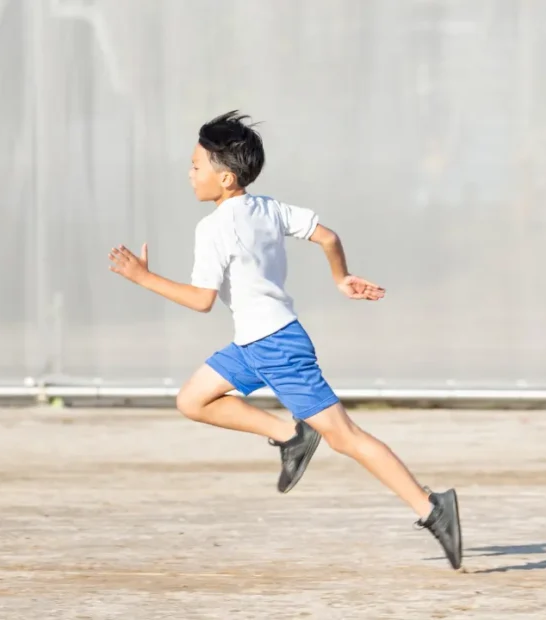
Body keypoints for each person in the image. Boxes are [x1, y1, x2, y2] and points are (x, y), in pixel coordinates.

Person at [107, 111, 462, 570]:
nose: (189, 173)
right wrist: (341, 278)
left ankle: (433, 508)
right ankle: (291, 434)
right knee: (193, 400)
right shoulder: (268, 207)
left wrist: (143, 276)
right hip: (255, 344)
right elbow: (328, 236)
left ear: (226, 178)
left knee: (347, 438)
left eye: (196, 165)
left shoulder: (213, 228)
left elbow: (200, 301)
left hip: (276, 346)